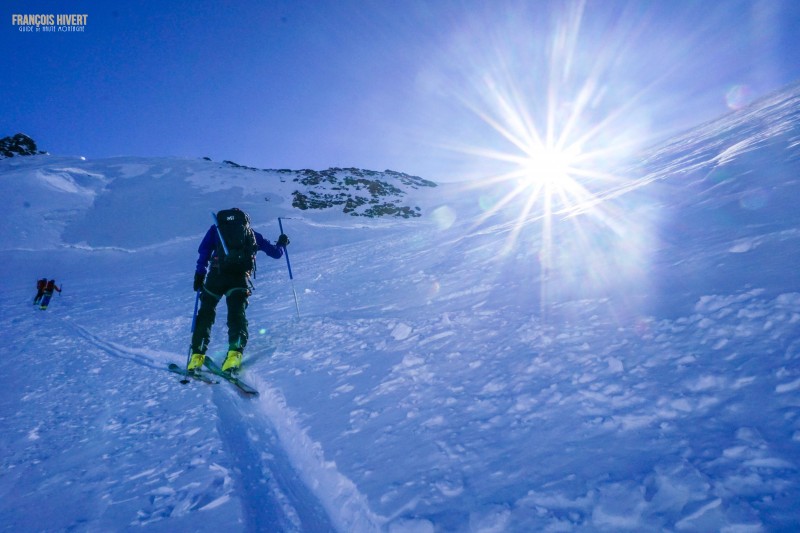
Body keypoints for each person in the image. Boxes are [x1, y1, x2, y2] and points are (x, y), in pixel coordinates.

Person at [188, 208, 289, 374]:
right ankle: (234, 356)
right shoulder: (251, 233)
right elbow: (276, 254)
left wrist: (199, 274)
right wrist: (282, 243)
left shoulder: (217, 229)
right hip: (238, 279)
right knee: (236, 315)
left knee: (206, 313)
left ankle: (196, 357)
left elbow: (204, 251)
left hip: (216, 277)